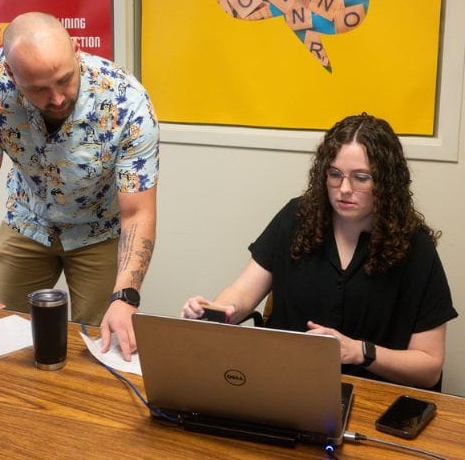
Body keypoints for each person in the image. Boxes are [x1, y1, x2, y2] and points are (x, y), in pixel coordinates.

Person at [0, 12, 159, 361]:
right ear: (10, 73)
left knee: (98, 346)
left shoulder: (126, 101)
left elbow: (138, 210)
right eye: (38, 88)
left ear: (76, 51)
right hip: (27, 221)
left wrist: (126, 297)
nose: (57, 98)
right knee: (2, 340)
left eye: (65, 80)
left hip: (98, 231)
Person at [182, 113, 455, 390]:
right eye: (335, 175)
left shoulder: (414, 247)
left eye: (361, 178)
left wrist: (359, 351)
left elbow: (429, 367)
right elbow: (241, 294)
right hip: (285, 385)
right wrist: (216, 313)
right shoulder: (296, 217)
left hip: (372, 396)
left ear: (386, 183)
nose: (344, 189)